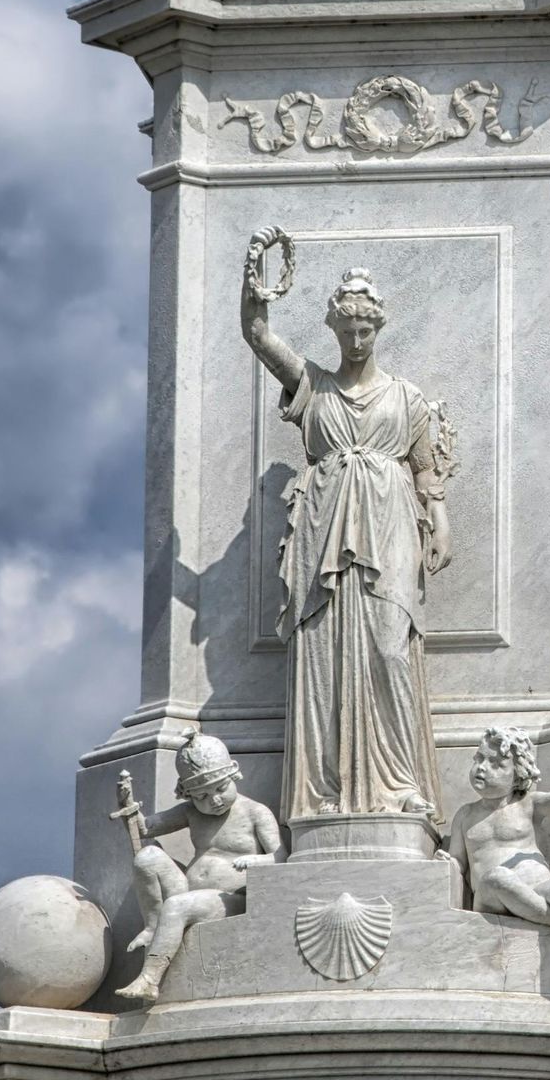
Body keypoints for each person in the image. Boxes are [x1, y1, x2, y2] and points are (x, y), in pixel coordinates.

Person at [241, 233, 451, 823]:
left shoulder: (407, 398)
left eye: (365, 332)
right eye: (346, 333)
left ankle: (400, 781)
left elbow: (427, 471)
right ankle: (328, 787)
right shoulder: (315, 387)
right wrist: (253, 281)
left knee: (390, 648)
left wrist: (441, 523)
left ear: (378, 329)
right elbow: (257, 336)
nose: (356, 342)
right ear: (334, 331)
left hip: (390, 523)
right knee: (326, 656)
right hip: (324, 525)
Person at [115, 733, 282, 1001]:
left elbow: (282, 857)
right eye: (202, 796)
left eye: (220, 789)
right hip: (187, 889)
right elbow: (146, 828)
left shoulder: (256, 812)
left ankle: (149, 979)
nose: (213, 800)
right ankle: (152, 926)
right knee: (147, 857)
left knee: (177, 905)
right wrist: (127, 806)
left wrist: (257, 860)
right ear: (188, 795)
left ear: (234, 775)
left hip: (230, 900)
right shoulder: (191, 812)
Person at [453, 725, 550, 986]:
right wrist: (446, 862)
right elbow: (457, 860)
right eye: (479, 759)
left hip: (537, 887)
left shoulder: (527, 804)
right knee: (498, 876)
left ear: (517, 775)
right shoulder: (465, 815)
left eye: (496, 763)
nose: (482, 768)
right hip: (490, 895)